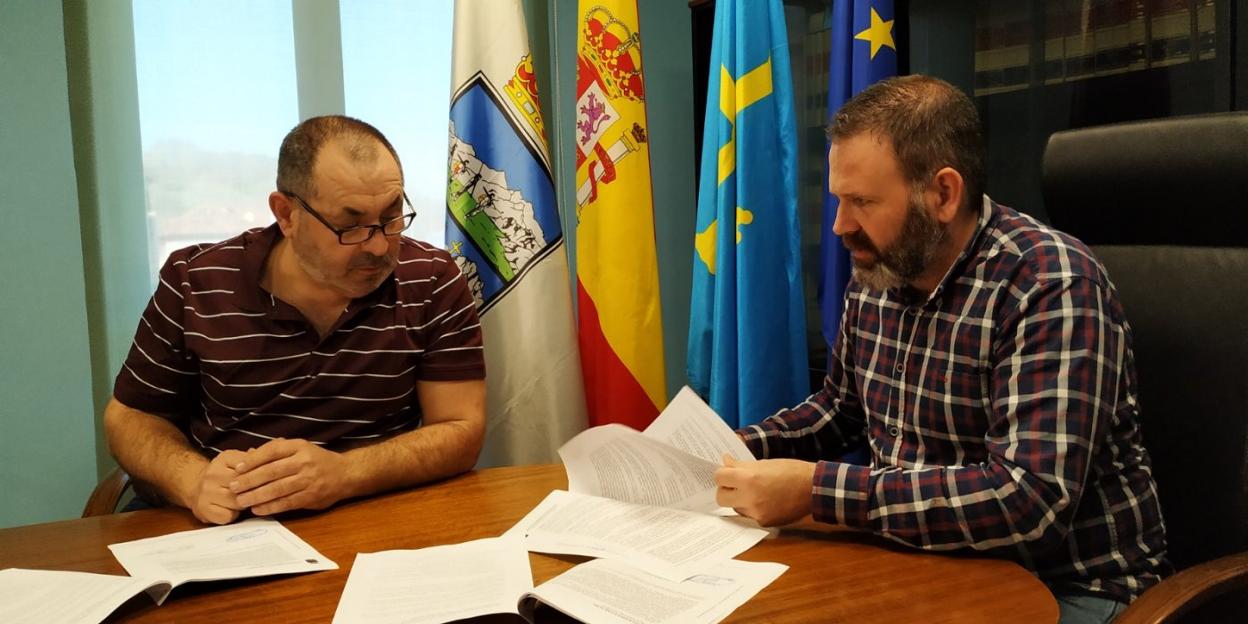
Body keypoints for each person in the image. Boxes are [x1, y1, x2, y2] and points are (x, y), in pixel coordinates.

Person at [713, 76, 1169, 623]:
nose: (840, 226)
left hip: (1067, 586)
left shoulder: (1050, 284)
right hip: (924, 566)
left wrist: (816, 491)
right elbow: (841, 410)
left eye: (862, 202)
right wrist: (730, 448)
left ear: (944, 195)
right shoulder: (882, 267)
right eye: (838, 199)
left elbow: (1028, 501)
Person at [105, 115, 486, 525]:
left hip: (370, 515)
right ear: (286, 214)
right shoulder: (196, 282)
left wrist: (346, 473)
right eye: (350, 226)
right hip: (225, 524)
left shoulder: (430, 279)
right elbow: (129, 418)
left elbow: (460, 428)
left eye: (391, 218)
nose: (379, 247)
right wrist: (192, 479)